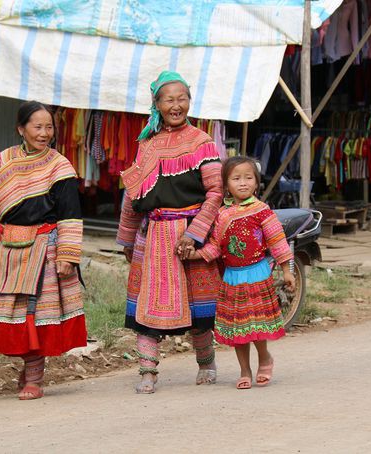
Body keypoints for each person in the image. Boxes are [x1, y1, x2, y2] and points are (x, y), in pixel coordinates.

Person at [0, 101, 87, 400]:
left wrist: (67, 255)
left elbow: (70, 214)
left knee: (34, 316)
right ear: (21, 129)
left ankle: (35, 378)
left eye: (49, 127)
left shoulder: (60, 165)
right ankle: (29, 367)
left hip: (44, 249)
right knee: (8, 316)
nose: (44, 133)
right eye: (37, 126)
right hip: (5, 249)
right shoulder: (4, 160)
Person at [117, 70, 223, 394]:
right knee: (144, 307)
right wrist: (125, 237)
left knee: (199, 308)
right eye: (169, 99)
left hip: (191, 234)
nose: (176, 105)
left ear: (189, 101)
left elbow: (216, 192)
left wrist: (195, 234)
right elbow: (133, 194)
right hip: (152, 236)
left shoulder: (203, 142)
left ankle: (206, 362)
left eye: (182, 98)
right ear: (157, 104)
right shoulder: (146, 145)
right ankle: (147, 371)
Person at [187, 156, 296, 389]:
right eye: (236, 178)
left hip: (257, 275)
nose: (243, 183)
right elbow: (216, 246)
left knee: (256, 326)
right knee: (238, 328)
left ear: (256, 183)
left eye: (249, 178)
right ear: (226, 185)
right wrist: (195, 255)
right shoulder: (223, 215)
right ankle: (244, 370)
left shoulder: (262, 211)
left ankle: (265, 358)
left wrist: (288, 271)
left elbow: (277, 241)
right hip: (233, 278)